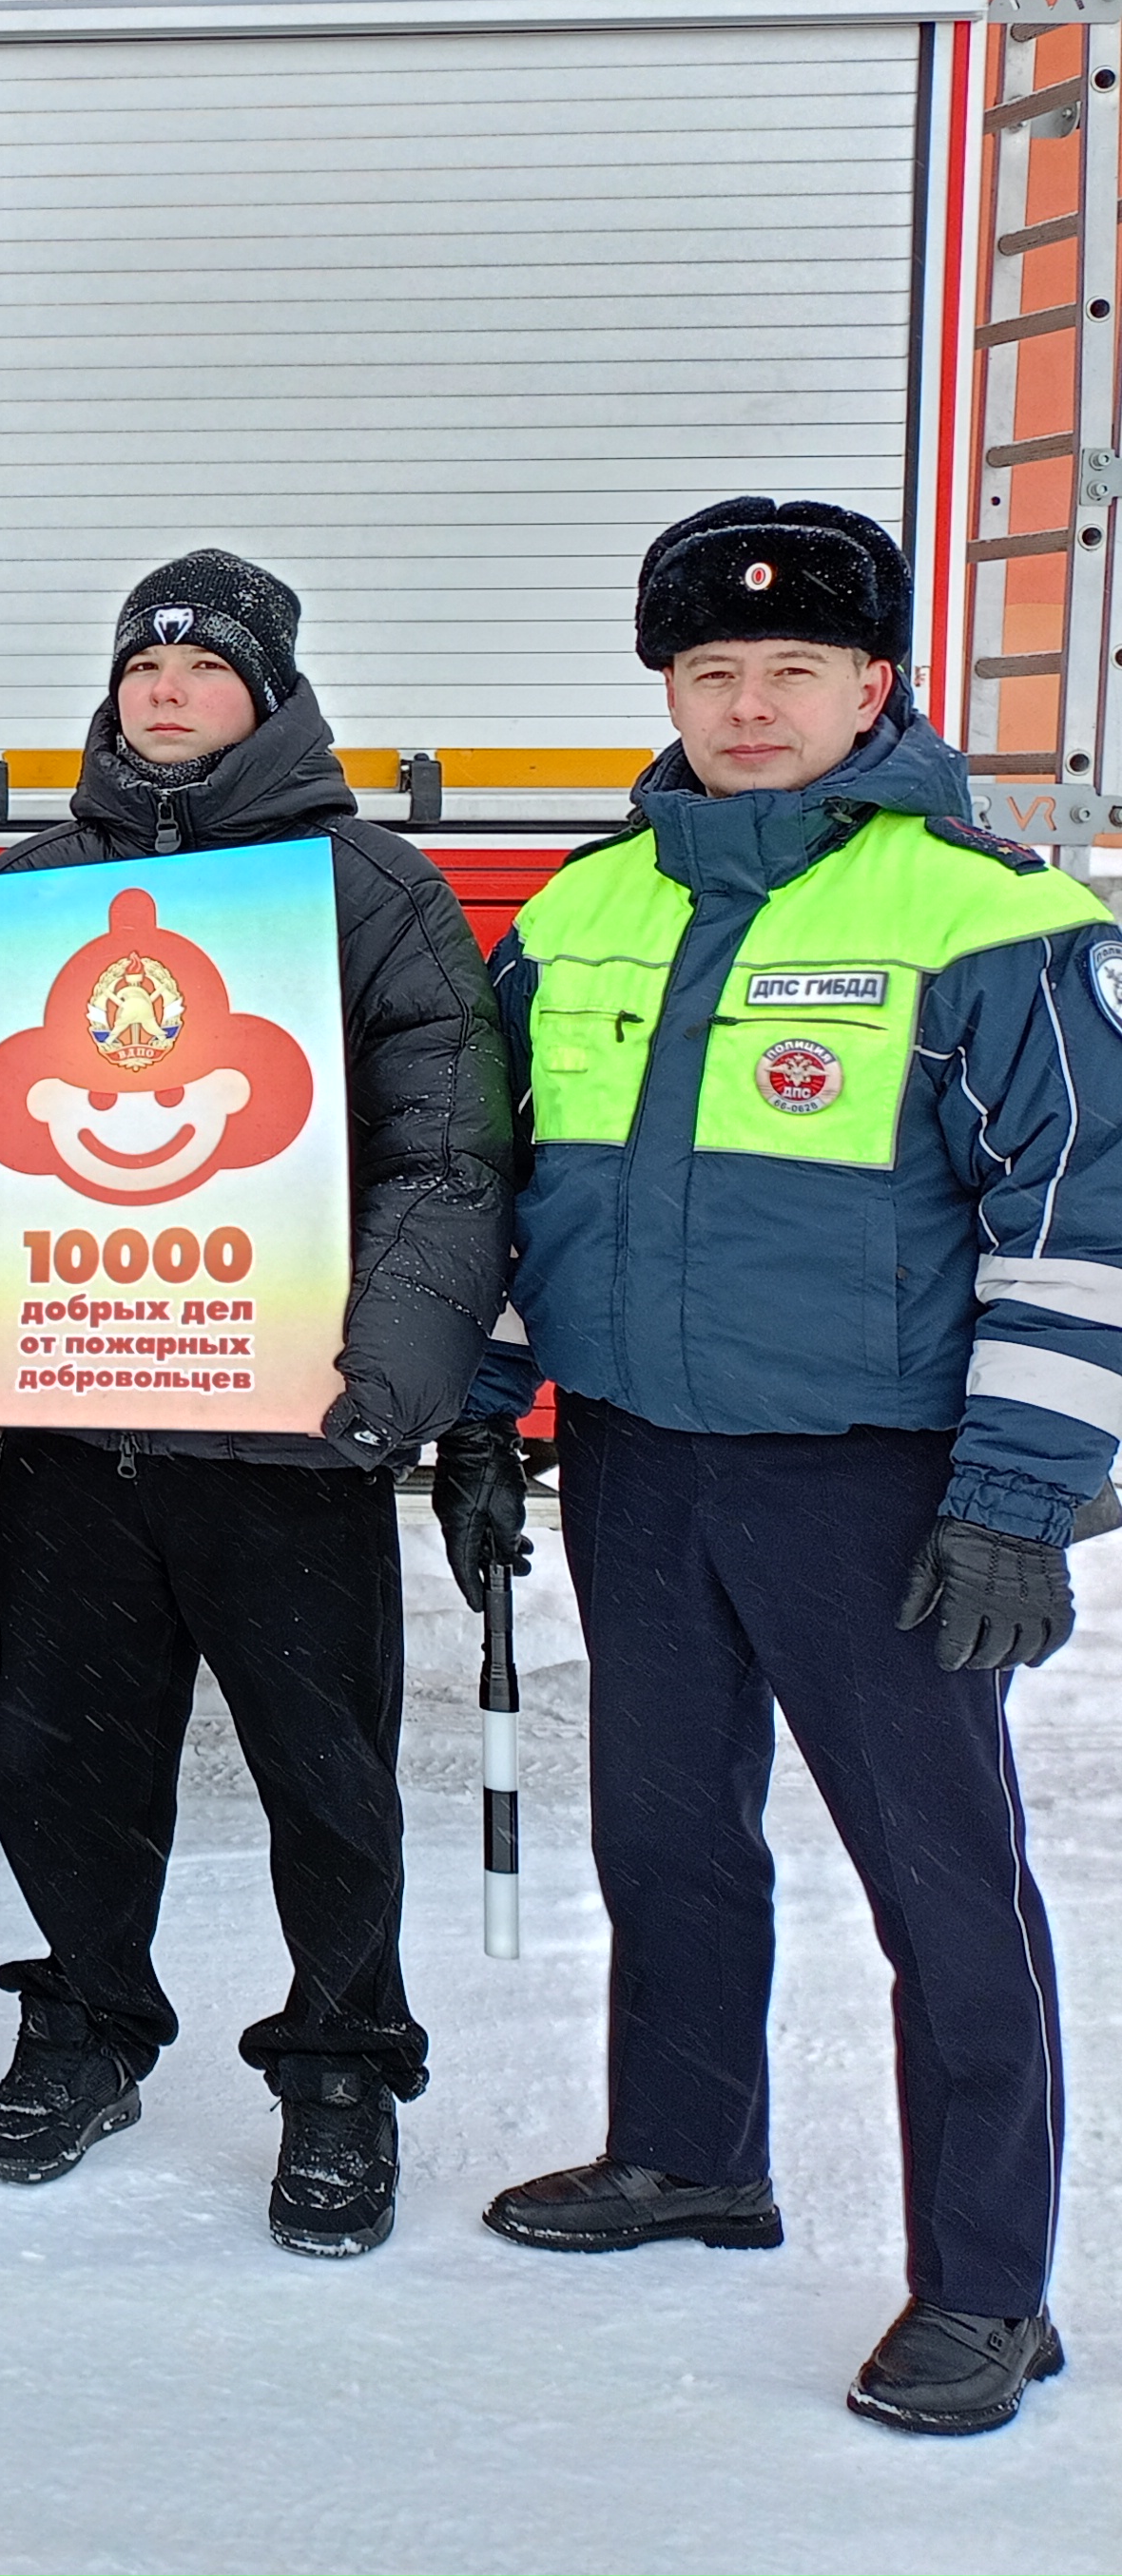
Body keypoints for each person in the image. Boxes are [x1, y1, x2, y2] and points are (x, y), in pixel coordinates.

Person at [458, 498, 1110, 2436]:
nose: (750, 706)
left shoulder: (989, 920)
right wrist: (486, 1409)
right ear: (664, 687)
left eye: (793, 670)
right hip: (640, 1462)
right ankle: (689, 2154)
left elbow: (1077, 1225)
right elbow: (519, 1192)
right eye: (711, 671)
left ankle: (985, 2288)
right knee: (664, 1834)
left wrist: (1015, 1497)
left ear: (873, 684)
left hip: (876, 1481)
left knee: (942, 1888)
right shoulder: (581, 911)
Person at [0, 550, 510, 2258]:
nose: (166, 692)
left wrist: (391, 1366)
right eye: (143, 666)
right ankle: (89, 2020)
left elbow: (448, 1156)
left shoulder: (369, 893)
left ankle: (343, 2065)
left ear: (269, 693)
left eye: (206, 667)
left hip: (283, 1429)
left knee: (325, 1773)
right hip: (71, 1419)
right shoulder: (33, 892)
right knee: (58, 1760)